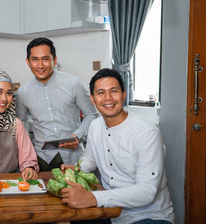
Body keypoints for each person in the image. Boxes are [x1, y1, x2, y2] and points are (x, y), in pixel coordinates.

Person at [61, 68, 174, 224]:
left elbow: (147, 191)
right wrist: (77, 168)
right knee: (74, 218)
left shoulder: (147, 133)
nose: (108, 98)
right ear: (93, 99)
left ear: (124, 94)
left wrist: (93, 197)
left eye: (113, 91)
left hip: (148, 216)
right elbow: (90, 158)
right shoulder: (95, 126)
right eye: (100, 93)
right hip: (111, 211)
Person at [16, 37, 98, 171]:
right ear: (28, 62)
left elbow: (92, 114)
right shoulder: (22, 92)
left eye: (45, 59)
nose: (40, 65)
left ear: (54, 60)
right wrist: (28, 155)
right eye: (35, 59)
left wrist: (78, 135)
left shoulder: (73, 84)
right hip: (41, 159)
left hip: (73, 158)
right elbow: (21, 125)